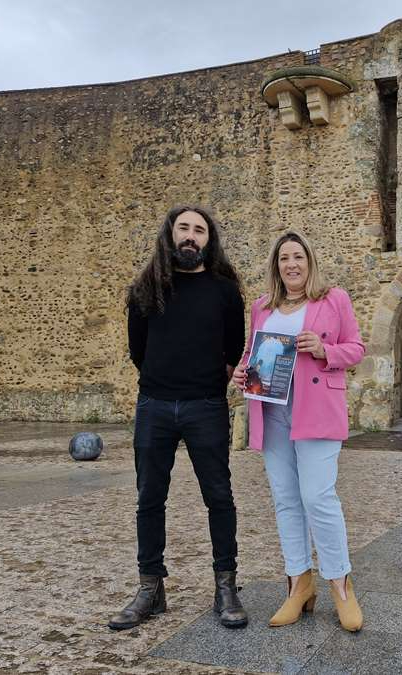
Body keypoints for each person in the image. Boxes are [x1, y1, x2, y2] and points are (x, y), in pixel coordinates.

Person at [108, 205, 248, 631]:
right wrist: (163, 380)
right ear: (169, 235)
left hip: (205, 406)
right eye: (183, 228)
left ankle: (226, 585)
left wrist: (204, 381)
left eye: (199, 230)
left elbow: (234, 347)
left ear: (210, 239)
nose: (191, 236)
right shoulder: (145, 288)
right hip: (154, 406)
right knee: (149, 498)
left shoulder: (225, 290)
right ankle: (150, 587)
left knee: (219, 497)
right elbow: (138, 350)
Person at [231, 231, 365, 632]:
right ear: (276, 266)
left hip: (317, 409)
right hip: (271, 410)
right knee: (286, 499)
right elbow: (251, 353)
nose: (291, 264)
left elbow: (356, 348)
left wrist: (326, 351)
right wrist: (241, 371)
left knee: (318, 496)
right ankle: (298, 584)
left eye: (298, 257)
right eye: (284, 258)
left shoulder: (333, 299)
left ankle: (341, 585)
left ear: (309, 262)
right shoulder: (261, 307)